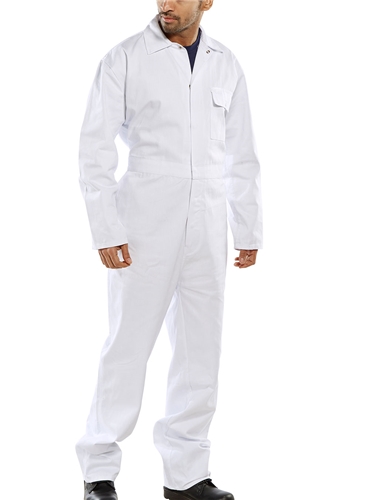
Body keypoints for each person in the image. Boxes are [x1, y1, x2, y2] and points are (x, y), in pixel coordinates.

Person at [75, 1, 263, 499]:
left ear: (207, 2)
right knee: (128, 346)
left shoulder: (225, 62)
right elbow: (94, 148)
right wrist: (106, 228)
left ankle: (186, 475)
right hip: (145, 220)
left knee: (201, 351)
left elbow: (241, 153)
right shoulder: (125, 58)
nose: (167, 4)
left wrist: (247, 228)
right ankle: (99, 470)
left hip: (208, 222)